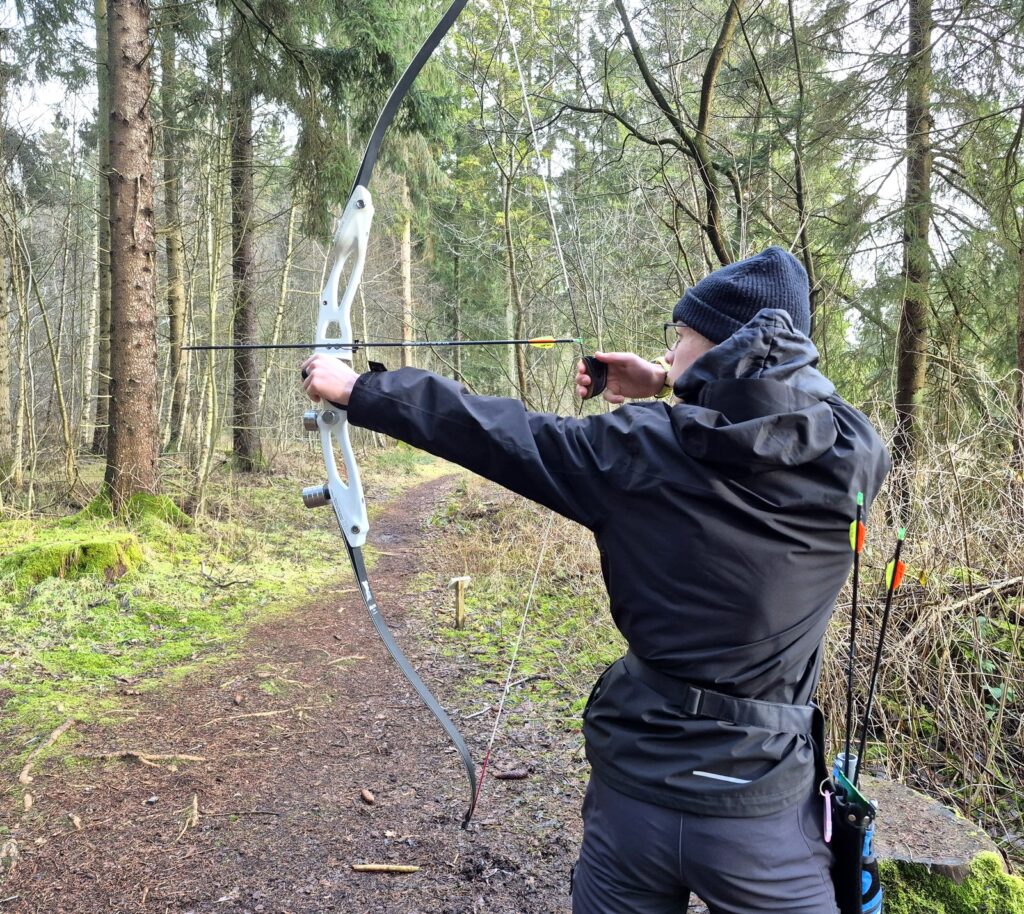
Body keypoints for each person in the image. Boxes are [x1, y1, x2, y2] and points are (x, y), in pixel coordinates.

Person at [302, 247, 890, 914]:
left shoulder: (638, 446)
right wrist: (676, 378)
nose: (669, 350)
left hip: (637, 793)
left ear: (717, 348)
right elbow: (791, 408)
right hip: (764, 811)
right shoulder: (852, 456)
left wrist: (359, 391)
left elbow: (495, 433)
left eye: (680, 336)